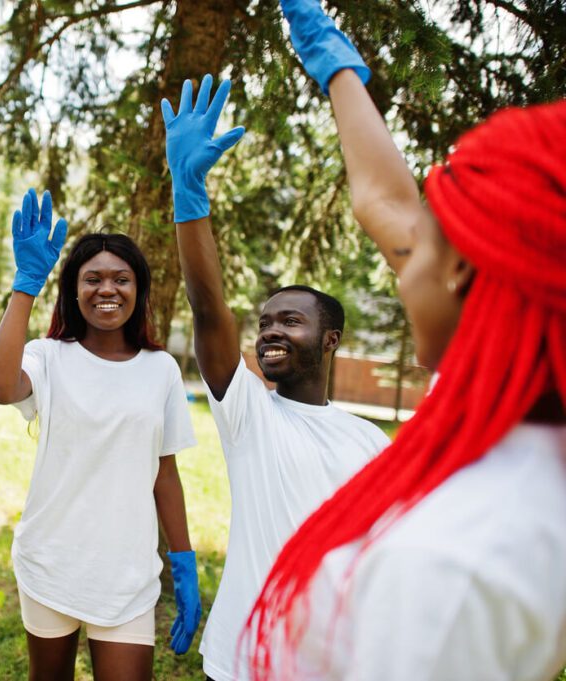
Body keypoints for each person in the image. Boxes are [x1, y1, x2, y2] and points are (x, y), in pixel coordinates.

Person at [242, 2, 566, 679]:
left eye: (426, 235)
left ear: (460, 269)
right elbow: (381, 199)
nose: (401, 248)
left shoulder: (457, 561)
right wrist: (336, 69)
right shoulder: (522, 401)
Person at [158, 74, 391, 681]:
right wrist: (190, 193)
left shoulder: (369, 440)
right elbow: (211, 311)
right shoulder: (249, 414)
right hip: (245, 661)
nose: (270, 332)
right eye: (264, 322)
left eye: (291, 320)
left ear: (331, 340)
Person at [0, 189, 201, 680]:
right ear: (74, 291)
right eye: (93, 279)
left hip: (127, 573)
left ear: (138, 289)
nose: (108, 290)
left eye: (121, 279)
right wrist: (25, 284)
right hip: (50, 560)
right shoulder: (48, 356)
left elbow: (165, 472)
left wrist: (183, 562)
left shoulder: (161, 369)